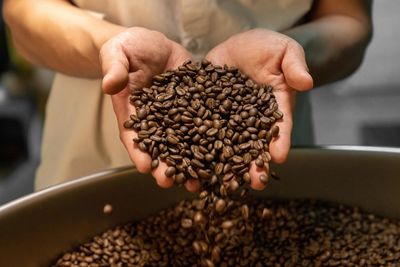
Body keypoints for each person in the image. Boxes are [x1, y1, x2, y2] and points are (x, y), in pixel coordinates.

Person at [3, 0, 372, 192]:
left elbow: (349, 17)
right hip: (86, 160)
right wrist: (106, 46)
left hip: (268, 144)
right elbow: (23, 13)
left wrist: (293, 56)